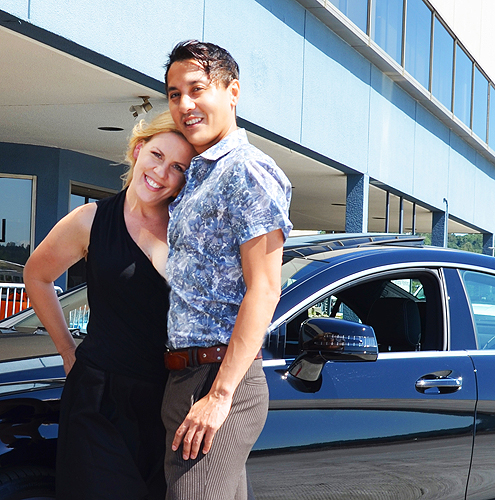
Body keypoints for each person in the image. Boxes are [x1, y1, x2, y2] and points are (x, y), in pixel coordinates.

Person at [23, 111, 196, 500]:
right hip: (97, 400)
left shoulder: (189, 232)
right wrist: (67, 350)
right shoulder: (90, 220)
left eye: (178, 168)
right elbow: (37, 275)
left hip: (167, 401)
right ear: (138, 150)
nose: (161, 172)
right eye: (156, 155)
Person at [161, 40, 293, 500]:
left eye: (197, 89)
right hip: (184, 376)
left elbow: (265, 288)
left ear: (232, 91)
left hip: (219, 380)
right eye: (174, 94)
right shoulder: (197, 174)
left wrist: (219, 397)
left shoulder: (247, 170)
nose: (185, 104)